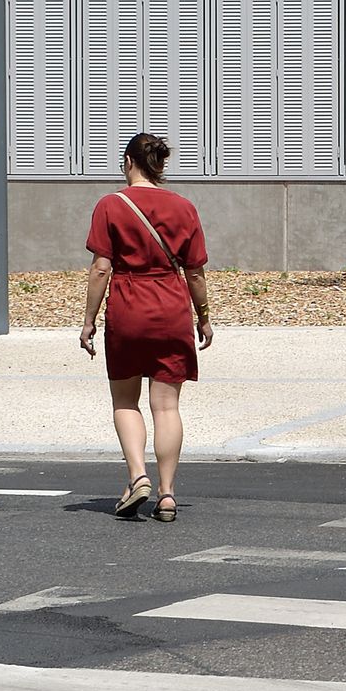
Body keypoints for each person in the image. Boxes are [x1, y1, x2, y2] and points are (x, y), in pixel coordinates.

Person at [80, 130, 213, 519]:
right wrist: (203, 318)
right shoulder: (184, 207)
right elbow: (196, 272)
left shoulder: (110, 205)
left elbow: (100, 268)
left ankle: (138, 475)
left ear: (127, 163)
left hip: (127, 309)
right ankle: (167, 493)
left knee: (125, 400)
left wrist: (88, 320)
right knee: (167, 406)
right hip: (172, 309)